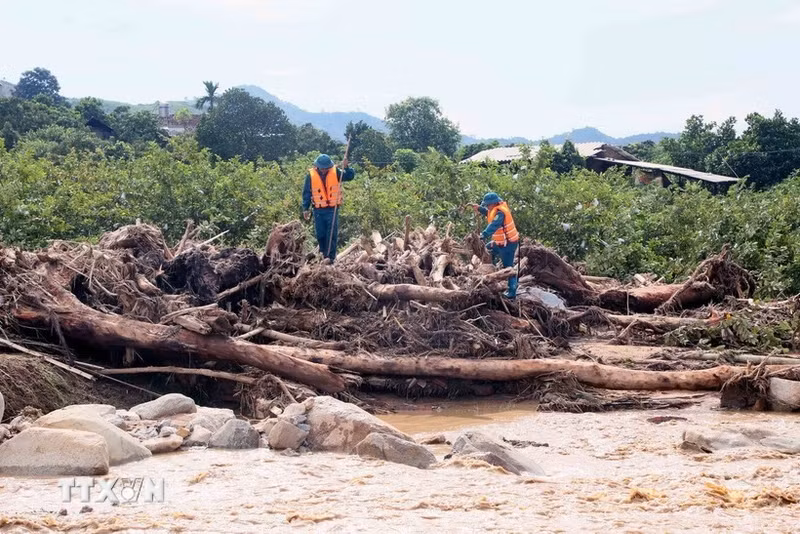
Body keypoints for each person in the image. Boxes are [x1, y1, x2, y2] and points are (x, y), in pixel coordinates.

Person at [302, 153, 356, 261]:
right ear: (317, 166)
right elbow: (307, 193)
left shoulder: (335, 172)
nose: (324, 170)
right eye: (322, 168)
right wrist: (305, 208)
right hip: (318, 210)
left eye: (326, 168)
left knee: (331, 234)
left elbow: (349, 176)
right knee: (320, 234)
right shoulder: (311, 176)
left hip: (332, 209)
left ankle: (330, 259)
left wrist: (347, 167)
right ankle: (323, 255)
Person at [472, 192, 520, 298]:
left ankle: (512, 292)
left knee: (509, 268)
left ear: (493, 203)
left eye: (488, 205)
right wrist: (479, 209)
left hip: (508, 243)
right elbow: (489, 214)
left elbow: (493, 225)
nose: (487, 207)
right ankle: (492, 273)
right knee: (488, 250)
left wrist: (483, 235)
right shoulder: (494, 209)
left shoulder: (500, 213)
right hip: (500, 242)